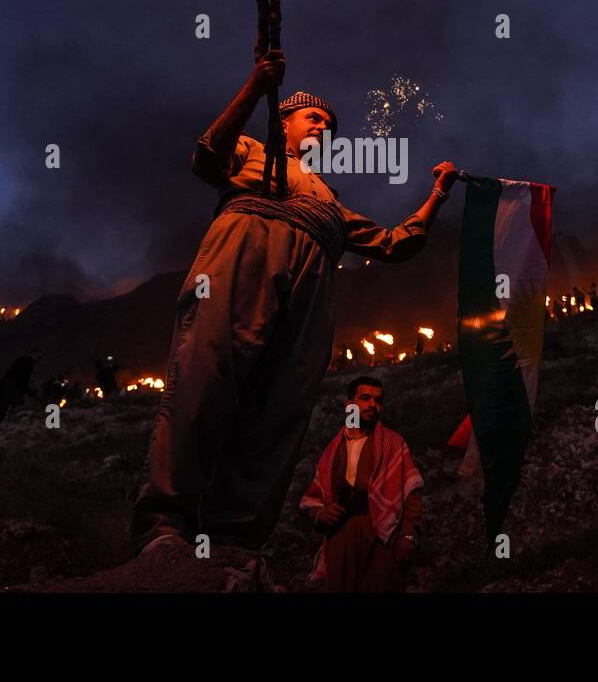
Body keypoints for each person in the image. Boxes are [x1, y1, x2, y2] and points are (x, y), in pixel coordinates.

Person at [131, 49, 457, 557]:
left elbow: (396, 243)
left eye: (329, 123)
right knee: (203, 381)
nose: (323, 128)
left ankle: (233, 536)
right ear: (282, 120)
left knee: (280, 409)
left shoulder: (329, 198)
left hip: (309, 299)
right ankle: (165, 525)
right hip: (239, 265)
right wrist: (254, 87)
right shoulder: (250, 151)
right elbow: (206, 158)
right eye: (314, 117)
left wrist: (437, 194)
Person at [299, 378, 423, 592]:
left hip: (381, 534)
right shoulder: (333, 448)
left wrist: (408, 535)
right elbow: (315, 497)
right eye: (365, 398)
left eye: (378, 400)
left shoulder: (393, 444)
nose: (372, 405)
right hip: (341, 533)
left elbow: (410, 495)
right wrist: (321, 513)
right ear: (350, 404)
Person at [0, 351, 41, 423]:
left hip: (6, 386)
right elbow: (22, 380)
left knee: (3, 406)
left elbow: (21, 379)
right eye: (38, 357)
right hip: (10, 387)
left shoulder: (22, 362)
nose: (38, 360)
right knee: (10, 405)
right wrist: (30, 392)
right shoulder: (27, 363)